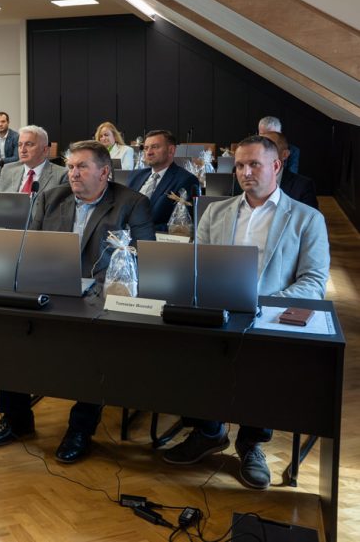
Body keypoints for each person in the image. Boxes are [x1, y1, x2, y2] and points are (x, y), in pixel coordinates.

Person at [162, 134, 329, 489]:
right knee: (186, 349)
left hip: (269, 316)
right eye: (239, 165)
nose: (245, 172)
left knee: (262, 364)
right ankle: (209, 432)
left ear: (276, 166)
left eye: (254, 164)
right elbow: (197, 264)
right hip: (217, 310)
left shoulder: (307, 218)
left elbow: (314, 282)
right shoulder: (215, 212)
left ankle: (251, 443)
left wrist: (261, 301)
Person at [0, 140, 154, 463]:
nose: (73, 174)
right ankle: (17, 418)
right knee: (8, 330)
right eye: (71, 167)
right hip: (51, 289)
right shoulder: (50, 198)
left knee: (93, 347)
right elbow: (30, 248)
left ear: (104, 172)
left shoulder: (132, 203)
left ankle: (80, 429)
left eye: (82, 167)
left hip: (101, 297)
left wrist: (101, 289)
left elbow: (145, 260)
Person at [126, 130, 200, 231]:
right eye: (146, 148)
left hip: (153, 238)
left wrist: (138, 230)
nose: (149, 152)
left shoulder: (186, 180)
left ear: (171, 150)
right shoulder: (135, 176)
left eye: (155, 147)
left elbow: (183, 225)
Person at [0, 125, 67, 193]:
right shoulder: (6, 170)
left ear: (45, 150)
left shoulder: (61, 175)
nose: (22, 150)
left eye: (29, 144)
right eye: (20, 145)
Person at [260, 131, 317, 209]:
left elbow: (311, 216)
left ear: (285, 155)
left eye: (269, 148)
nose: (261, 153)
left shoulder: (302, 186)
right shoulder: (246, 181)